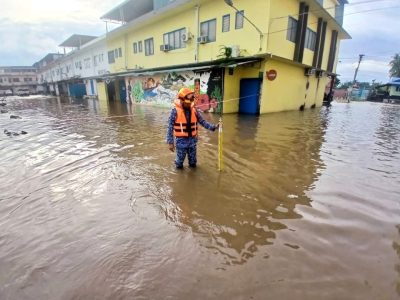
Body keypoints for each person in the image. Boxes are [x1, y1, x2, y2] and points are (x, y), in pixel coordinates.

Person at [166, 87, 219, 169]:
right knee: (179, 164)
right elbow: (170, 127)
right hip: (181, 142)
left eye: (190, 102)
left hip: (192, 142)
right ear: (181, 100)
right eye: (187, 103)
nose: (188, 104)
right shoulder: (175, 111)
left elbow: (202, 122)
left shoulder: (194, 110)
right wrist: (170, 142)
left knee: (193, 164)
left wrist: (213, 127)